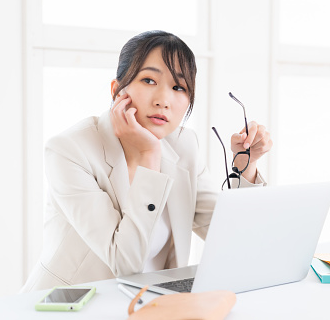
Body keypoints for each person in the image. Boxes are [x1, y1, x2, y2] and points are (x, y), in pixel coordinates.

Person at [21, 30, 273, 292]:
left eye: (178, 87)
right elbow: (125, 265)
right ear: (117, 91)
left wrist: (248, 164)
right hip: (71, 306)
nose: (163, 100)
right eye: (149, 80)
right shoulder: (70, 151)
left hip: (146, 303)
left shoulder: (183, 145)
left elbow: (235, 240)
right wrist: (148, 156)